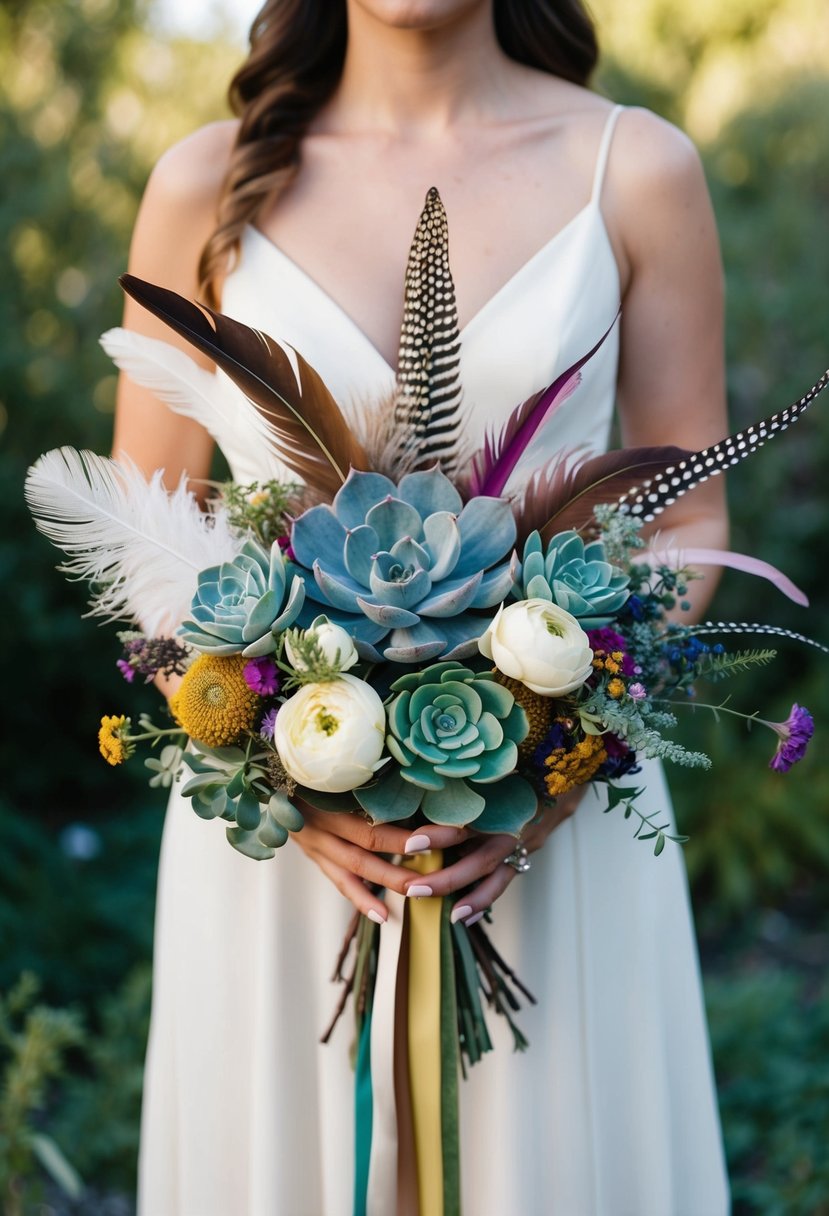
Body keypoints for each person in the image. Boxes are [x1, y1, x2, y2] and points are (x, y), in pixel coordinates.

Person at [113, 1, 731, 1212]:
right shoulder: (206, 182)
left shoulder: (636, 168)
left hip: (557, 840)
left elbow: (686, 516)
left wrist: (554, 760)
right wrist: (285, 785)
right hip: (285, 865)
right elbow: (151, 541)